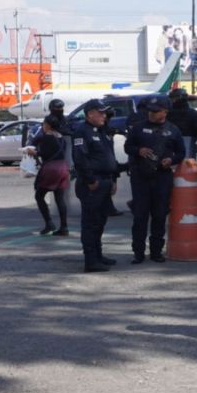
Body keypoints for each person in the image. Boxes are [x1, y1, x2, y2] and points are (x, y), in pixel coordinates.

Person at [124, 95, 185, 264]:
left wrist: (171, 161)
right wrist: (138, 151)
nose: (152, 114)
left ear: (165, 112)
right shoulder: (138, 128)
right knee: (140, 216)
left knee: (159, 215)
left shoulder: (173, 130)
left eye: (156, 111)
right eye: (150, 111)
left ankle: (156, 251)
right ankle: (138, 252)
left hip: (162, 177)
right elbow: (127, 146)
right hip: (141, 177)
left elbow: (181, 153)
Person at [72, 99, 119, 272]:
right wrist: (91, 180)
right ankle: (90, 261)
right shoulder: (82, 132)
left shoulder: (102, 131)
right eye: (101, 112)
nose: (104, 115)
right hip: (92, 183)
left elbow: (109, 157)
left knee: (100, 222)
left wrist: (113, 179)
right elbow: (80, 159)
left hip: (105, 181)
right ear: (90, 113)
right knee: (91, 223)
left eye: (105, 113)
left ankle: (98, 255)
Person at [27, 115, 71, 236]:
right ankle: (64, 226)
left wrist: (33, 152)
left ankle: (49, 223)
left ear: (48, 125)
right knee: (60, 198)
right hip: (63, 167)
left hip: (51, 169)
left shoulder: (47, 137)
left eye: (44, 123)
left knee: (39, 195)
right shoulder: (61, 137)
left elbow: (44, 153)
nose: (42, 126)